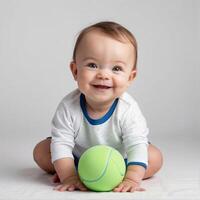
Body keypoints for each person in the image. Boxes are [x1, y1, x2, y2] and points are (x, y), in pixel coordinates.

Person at [33, 21, 163, 192]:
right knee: (41, 151)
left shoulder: (128, 108)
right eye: (92, 65)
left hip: (120, 157)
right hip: (78, 156)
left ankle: (116, 172)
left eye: (116, 68)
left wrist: (132, 177)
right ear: (75, 71)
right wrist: (69, 176)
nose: (103, 75)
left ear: (130, 77)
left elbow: (136, 144)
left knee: (154, 157)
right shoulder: (68, 106)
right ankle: (77, 170)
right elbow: (62, 143)